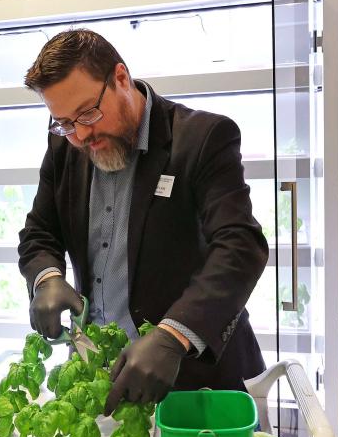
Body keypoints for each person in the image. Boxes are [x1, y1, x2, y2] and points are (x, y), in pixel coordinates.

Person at [17, 29, 269, 415]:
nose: (81, 135)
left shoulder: (203, 138)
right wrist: (45, 277)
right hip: (101, 374)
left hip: (195, 380)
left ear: (120, 78)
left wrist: (174, 335)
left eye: (88, 113)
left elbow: (239, 246)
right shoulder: (65, 147)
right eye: (65, 123)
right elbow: (39, 231)